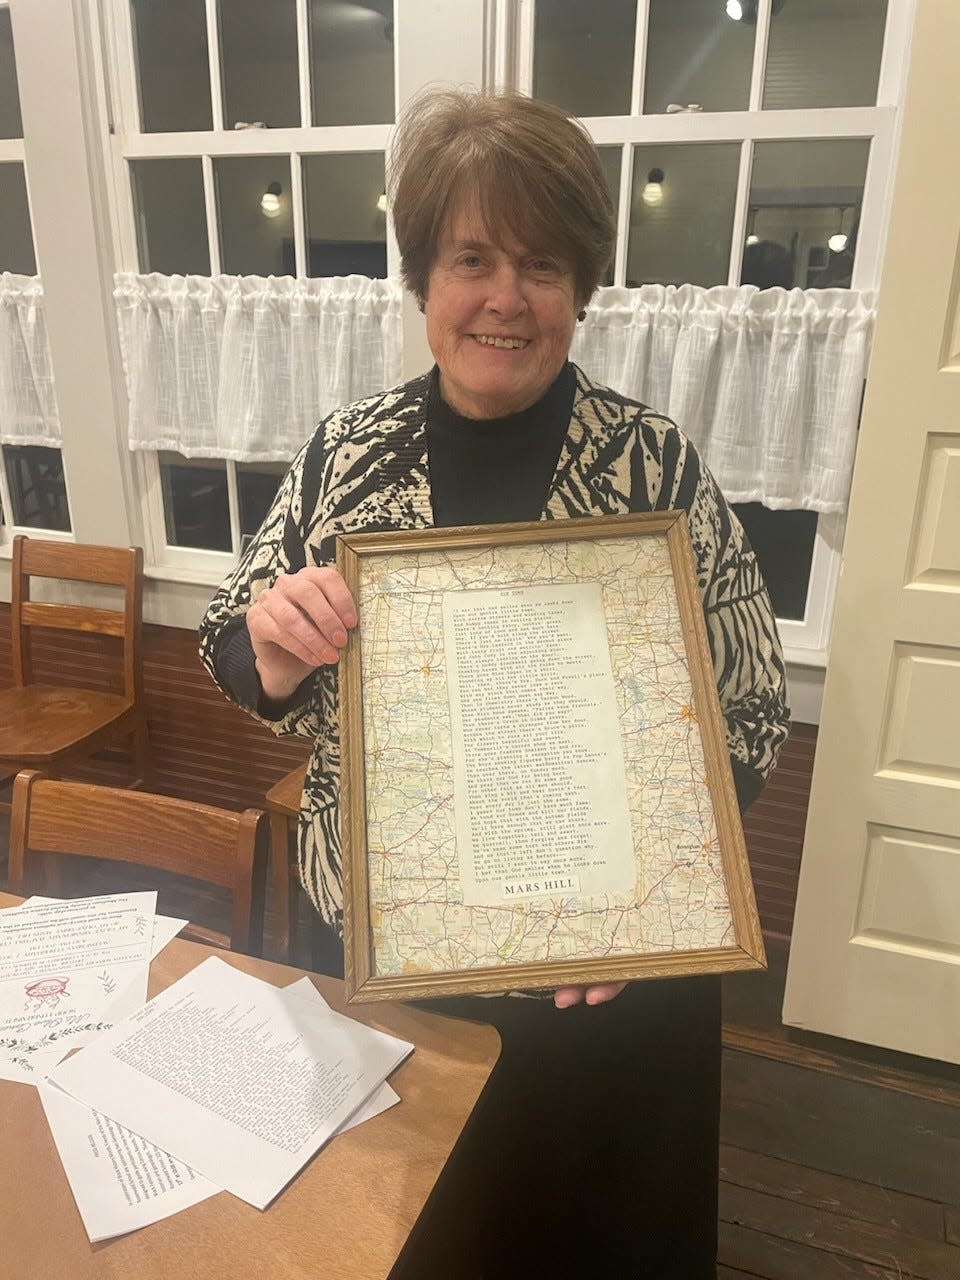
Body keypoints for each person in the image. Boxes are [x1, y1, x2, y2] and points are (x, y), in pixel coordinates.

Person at [200, 89, 789, 1279]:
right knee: (411, 1235)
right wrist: (273, 644)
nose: (506, 297)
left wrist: (657, 901)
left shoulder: (654, 465)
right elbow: (229, 640)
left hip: (602, 990)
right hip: (389, 964)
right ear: (424, 278)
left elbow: (752, 715)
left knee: (591, 1240)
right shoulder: (345, 452)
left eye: (543, 262)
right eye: (472, 258)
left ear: (582, 288)